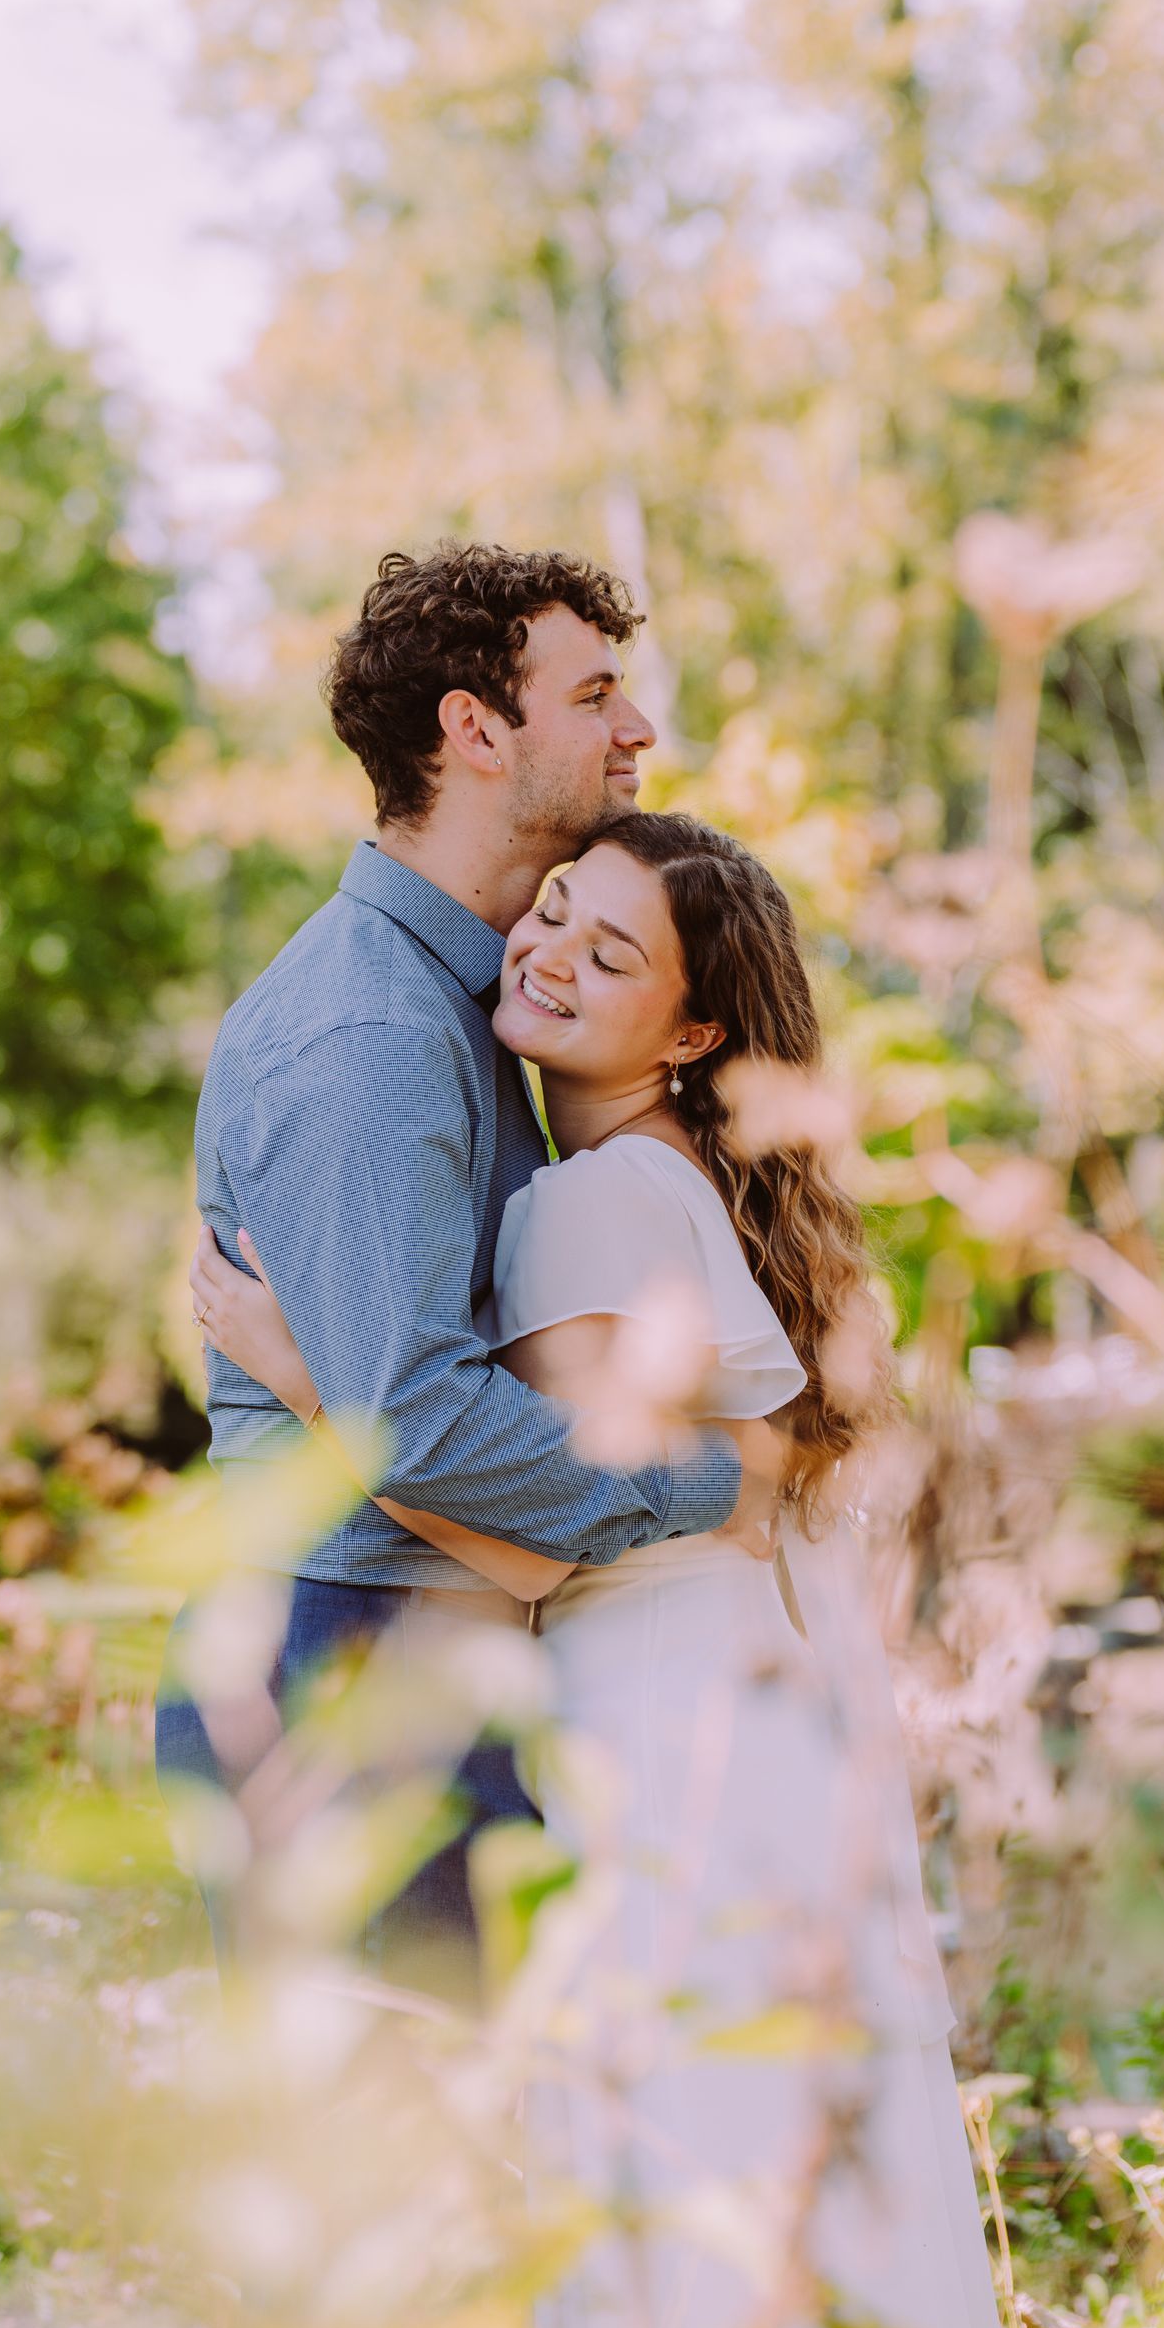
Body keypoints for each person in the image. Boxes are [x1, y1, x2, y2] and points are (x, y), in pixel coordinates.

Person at [192, 811, 1027, 2328]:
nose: (552, 952)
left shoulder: (582, 1213)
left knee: (667, 2159)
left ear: (696, 1029)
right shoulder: (673, 1185)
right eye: (556, 912)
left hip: (660, 1732)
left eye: (613, 953)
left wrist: (311, 1386)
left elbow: (531, 1532)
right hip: (739, 1716)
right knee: (764, 2155)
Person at [158, 543, 771, 1965]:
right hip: (349, 1666)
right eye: (597, 694)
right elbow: (419, 1417)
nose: (637, 732)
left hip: (418, 1646)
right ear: (477, 731)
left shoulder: (478, 1000)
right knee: (421, 2154)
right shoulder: (372, 1033)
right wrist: (717, 1481)